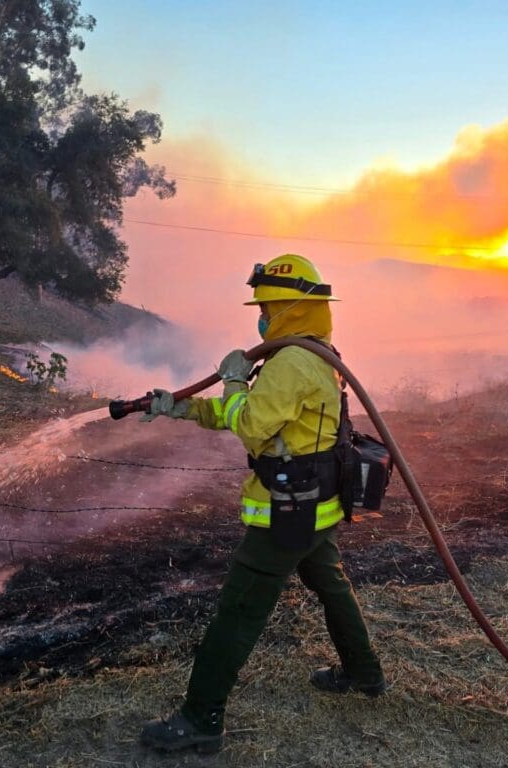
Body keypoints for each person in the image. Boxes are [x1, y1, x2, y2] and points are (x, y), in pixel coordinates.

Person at [139, 254, 386, 754]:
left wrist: (233, 381)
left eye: (267, 307)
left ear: (288, 308)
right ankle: (363, 673)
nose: (262, 317)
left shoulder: (292, 362)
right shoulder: (313, 354)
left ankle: (200, 718)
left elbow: (250, 424)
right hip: (319, 508)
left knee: (238, 610)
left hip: (287, 514)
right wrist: (181, 407)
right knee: (331, 586)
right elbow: (254, 417)